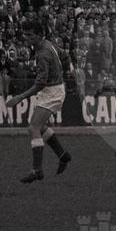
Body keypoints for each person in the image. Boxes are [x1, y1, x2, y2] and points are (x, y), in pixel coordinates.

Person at [6, 21, 72, 183]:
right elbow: (65, 56)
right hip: (52, 89)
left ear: (39, 35)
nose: (27, 38)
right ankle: (63, 155)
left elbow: (40, 84)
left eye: (30, 35)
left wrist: (20, 97)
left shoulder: (43, 53)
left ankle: (37, 171)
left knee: (33, 128)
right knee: (40, 127)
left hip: (52, 92)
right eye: (25, 35)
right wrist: (60, 73)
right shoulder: (49, 44)